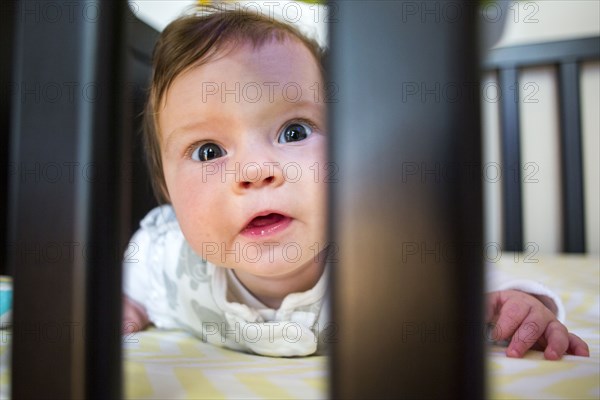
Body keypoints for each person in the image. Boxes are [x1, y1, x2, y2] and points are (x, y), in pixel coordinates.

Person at [122, 7, 589, 359]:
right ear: (165, 188)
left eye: (294, 131)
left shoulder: (383, 254)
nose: (256, 171)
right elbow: (129, 281)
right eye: (208, 151)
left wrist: (520, 305)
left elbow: (472, 288)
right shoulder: (168, 261)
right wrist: (127, 306)